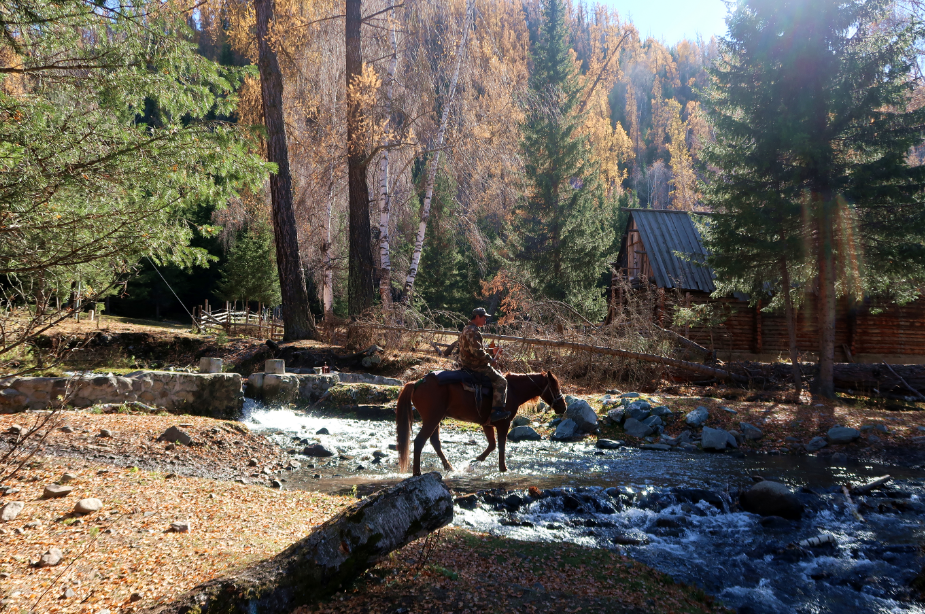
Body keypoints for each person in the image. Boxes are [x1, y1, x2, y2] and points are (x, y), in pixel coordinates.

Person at [458, 307, 509, 423]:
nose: (485, 320)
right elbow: (477, 352)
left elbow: (475, 349)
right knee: (502, 381)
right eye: (484, 317)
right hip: (476, 366)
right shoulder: (473, 331)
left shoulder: (467, 329)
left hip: (468, 364)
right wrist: (491, 360)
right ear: (477, 317)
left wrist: (492, 351)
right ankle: (496, 411)